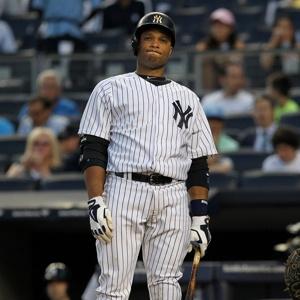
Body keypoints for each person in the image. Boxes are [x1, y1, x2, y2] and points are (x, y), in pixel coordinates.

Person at [78, 11, 217, 299]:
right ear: (137, 44)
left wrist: (200, 216)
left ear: (171, 49)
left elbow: (198, 163)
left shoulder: (188, 97)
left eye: (162, 40)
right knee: (114, 284)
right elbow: (93, 148)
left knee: (167, 282)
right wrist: (95, 200)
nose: (155, 43)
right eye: (148, 38)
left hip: (173, 196)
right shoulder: (110, 88)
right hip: (123, 189)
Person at [195, 8, 245, 90]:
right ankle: (207, 92)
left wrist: (225, 59)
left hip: (230, 76)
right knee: (207, 65)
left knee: (234, 69)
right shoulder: (205, 44)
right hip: (213, 79)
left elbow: (239, 57)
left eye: (222, 26)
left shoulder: (237, 43)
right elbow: (199, 53)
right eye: (215, 26)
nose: (218, 29)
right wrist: (216, 58)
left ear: (230, 28)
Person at [29, 0, 102, 53]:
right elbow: (97, 7)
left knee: (50, 67)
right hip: (73, 30)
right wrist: (83, 23)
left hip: (51, 31)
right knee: (77, 67)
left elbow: (38, 8)